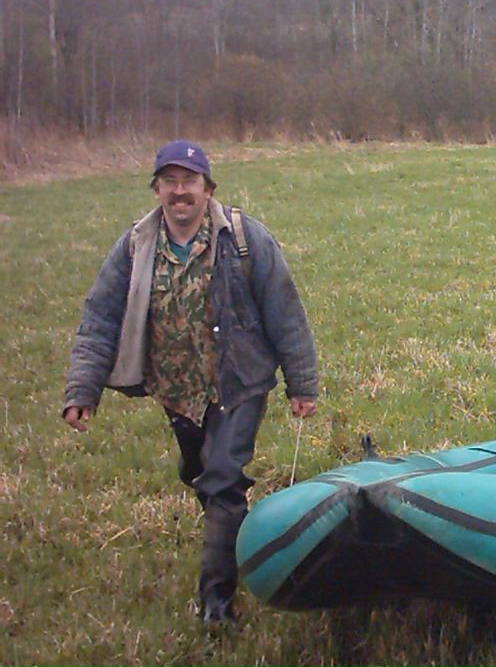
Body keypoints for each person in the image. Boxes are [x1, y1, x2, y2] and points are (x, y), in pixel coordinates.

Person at [62, 140, 319, 625]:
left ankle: (217, 603)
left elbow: (286, 312)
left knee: (223, 480)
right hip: (177, 391)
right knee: (200, 473)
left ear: (208, 189)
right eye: (170, 182)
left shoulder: (244, 238)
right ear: (158, 188)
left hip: (239, 384)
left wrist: (302, 384)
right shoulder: (136, 246)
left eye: (190, 182)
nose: (180, 192)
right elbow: (100, 317)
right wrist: (83, 390)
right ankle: (225, 520)